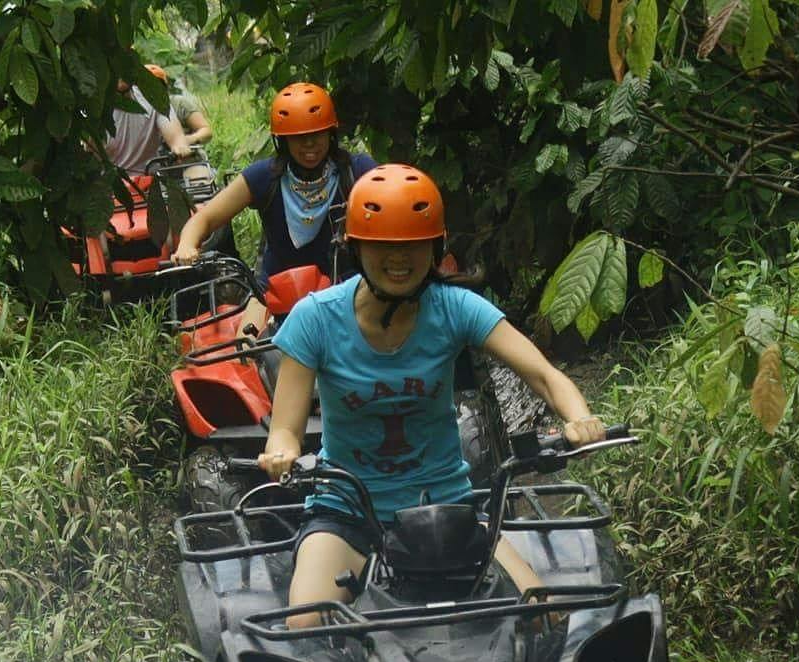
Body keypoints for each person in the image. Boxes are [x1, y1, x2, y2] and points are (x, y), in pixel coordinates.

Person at [256, 163, 606, 627]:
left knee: (542, 614)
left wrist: (579, 417)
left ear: (435, 247)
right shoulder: (315, 318)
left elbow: (542, 373)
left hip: (447, 507)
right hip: (345, 513)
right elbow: (285, 426)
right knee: (305, 625)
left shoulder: (455, 307)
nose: (399, 258)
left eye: (413, 244)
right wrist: (281, 451)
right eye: (383, 245)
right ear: (356, 247)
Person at [173, 82, 375, 285]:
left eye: (316, 134)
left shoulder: (357, 171)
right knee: (248, 319)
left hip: (345, 292)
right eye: (298, 137)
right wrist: (187, 245)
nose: (309, 144)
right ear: (283, 140)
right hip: (276, 294)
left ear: (330, 134)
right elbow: (204, 219)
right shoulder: (264, 176)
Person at [104, 65, 198, 176]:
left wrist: (180, 146)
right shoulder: (92, 109)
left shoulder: (153, 97)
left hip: (149, 180)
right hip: (109, 185)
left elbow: (175, 136)